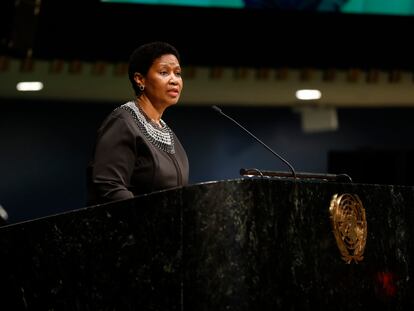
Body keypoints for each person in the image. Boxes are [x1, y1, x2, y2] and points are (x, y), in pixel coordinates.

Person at [86, 41, 189, 205]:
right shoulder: (123, 122)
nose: (174, 80)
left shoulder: (167, 132)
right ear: (140, 79)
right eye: (164, 72)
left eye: (177, 73)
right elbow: (109, 185)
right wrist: (147, 222)